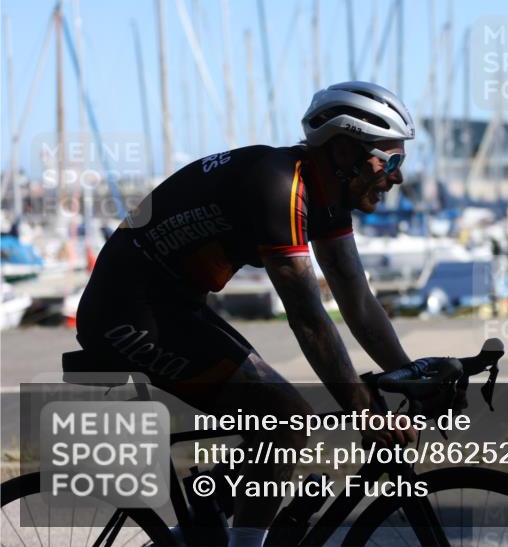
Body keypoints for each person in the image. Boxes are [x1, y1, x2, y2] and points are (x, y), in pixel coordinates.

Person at [75, 82, 419, 547]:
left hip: (171, 304)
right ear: (342, 152)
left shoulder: (325, 195)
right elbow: (310, 321)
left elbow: (358, 302)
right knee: (287, 417)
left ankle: (202, 522)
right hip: (126, 312)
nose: (397, 176)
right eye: (390, 159)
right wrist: (366, 413)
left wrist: (411, 375)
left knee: (275, 424)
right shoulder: (278, 186)